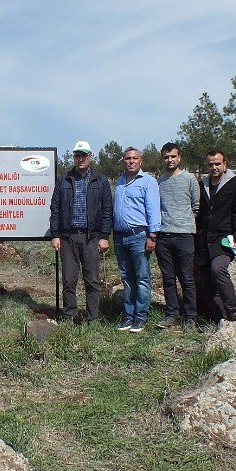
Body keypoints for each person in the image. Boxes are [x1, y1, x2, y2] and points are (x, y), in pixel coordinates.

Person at [49, 140, 113, 323]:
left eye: (84, 155)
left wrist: (104, 237)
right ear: (74, 157)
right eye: (77, 155)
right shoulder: (64, 179)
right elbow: (56, 208)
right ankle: (69, 314)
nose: (81, 158)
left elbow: (107, 210)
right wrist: (55, 235)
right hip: (68, 237)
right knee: (69, 280)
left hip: (91, 238)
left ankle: (92, 317)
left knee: (92, 280)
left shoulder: (100, 180)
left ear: (90, 157)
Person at [112, 147, 160, 333]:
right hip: (120, 236)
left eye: (134, 158)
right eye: (127, 158)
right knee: (127, 278)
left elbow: (153, 209)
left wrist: (153, 235)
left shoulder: (148, 181)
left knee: (142, 278)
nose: (131, 161)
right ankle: (128, 316)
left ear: (141, 161)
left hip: (139, 236)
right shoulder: (120, 181)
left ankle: (140, 317)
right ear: (123, 161)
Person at [195, 150, 236, 323]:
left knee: (218, 268)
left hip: (224, 239)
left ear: (225, 164)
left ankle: (233, 309)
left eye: (217, 163)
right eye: (210, 164)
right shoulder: (202, 184)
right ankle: (219, 317)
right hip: (203, 239)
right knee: (206, 280)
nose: (214, 167)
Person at [154, 142, 200, 330]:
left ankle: (191, 316)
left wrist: (184, 222)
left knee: (187, 277)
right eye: (166, 157)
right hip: (163, 236)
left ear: (179, 157)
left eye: (173, 156)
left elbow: (196, 206)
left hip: (184, 235)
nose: (169, 160)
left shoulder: (189, 179)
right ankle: (172, 313)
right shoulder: (159, 182)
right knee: (168, 278)